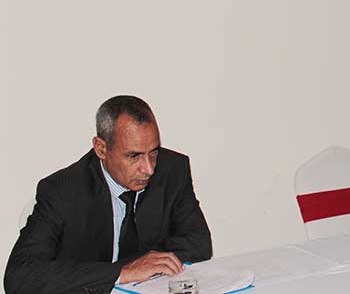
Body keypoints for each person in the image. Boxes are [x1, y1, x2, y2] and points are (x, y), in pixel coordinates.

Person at [5, 95, 212, 294]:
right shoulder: (62, 191)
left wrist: (141, 265)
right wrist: (122, 272)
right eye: (134, 156)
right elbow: (20, 276)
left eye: (153, 152)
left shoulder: (173, 170)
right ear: (101, 149)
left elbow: (198, 244)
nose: (149, 169)